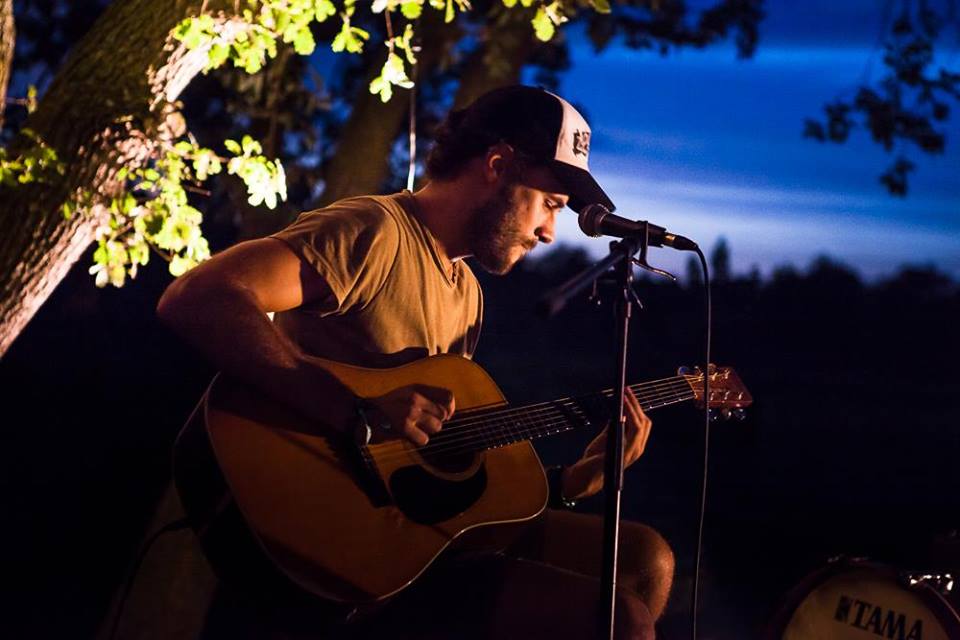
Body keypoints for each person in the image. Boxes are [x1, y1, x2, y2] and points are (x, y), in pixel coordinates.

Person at [157, 85, 674, 639]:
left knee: (645, 560)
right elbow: (199, 297)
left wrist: (572, 480)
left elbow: (430, 462)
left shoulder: (467, 294)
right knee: (620, 623)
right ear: (497, 165)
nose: (550, 232)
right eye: (549, 204)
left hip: (409, 530)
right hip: (332, 535)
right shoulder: (374, 233)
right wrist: (352, 410)